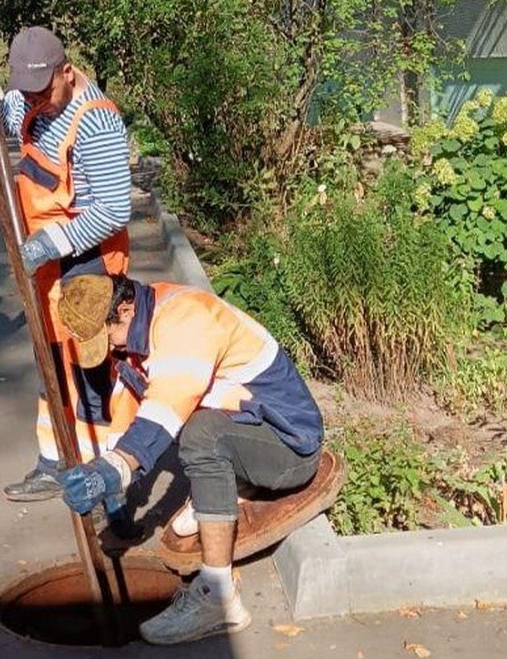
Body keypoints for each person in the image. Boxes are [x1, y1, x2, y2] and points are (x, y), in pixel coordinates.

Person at [56, 273, 325, 645]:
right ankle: (236, 485)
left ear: (125, 309)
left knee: (201, 435)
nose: (110, 348)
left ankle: (220, 598)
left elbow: (165, 409)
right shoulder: (140, 326)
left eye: (108, 335)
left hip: (289, 446)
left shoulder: (186, 320)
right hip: (247, 429)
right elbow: (131, 400)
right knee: (189, 506)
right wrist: (112, 477)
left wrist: (115, 469)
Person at [0, 26, 133, 501]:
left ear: (67, 71)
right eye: (28, 92)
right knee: (51, 362)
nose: (37, 100)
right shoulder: (34, 100)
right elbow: (3, 118)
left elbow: (114, 209)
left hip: (89, 265)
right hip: (49, 262)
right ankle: (54, 463)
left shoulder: (95, 122)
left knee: (93, 371)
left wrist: (48, 244)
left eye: (45, 90)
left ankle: (108, 481)